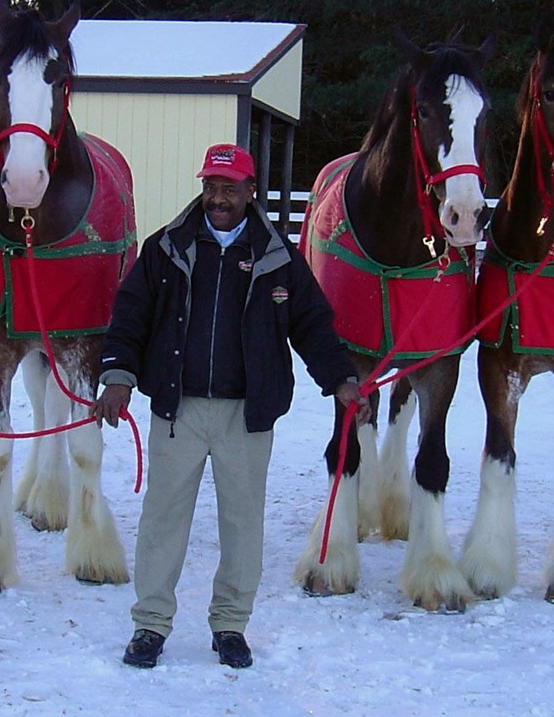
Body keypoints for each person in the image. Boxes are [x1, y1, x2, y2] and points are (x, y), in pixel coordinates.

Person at [93, 143, 362, 669]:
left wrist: (341, 380)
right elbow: (129, 316)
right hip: (179, 410)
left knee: (242, 523)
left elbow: (312, 325)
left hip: (248, 414)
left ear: (249, 191)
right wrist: (118, 377)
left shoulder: (279, 256)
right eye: (212, 187)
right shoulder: (165, 248)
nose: (219, 198)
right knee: (162, 521)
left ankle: (231, 625)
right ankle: (150, 625)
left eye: (230, 189)